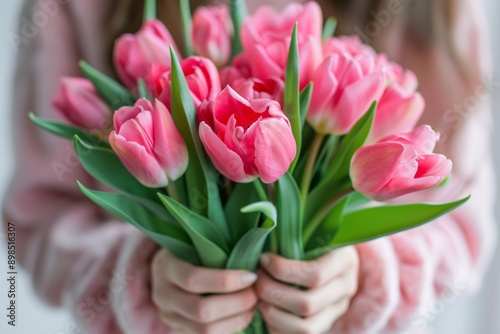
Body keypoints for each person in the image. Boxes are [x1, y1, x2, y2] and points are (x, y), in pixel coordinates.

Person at [2, 0, 496, 333]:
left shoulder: (438, 9)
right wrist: (141, 282)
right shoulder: (77, 8)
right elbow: (36, 219)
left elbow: (466, 227)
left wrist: (365, 278)